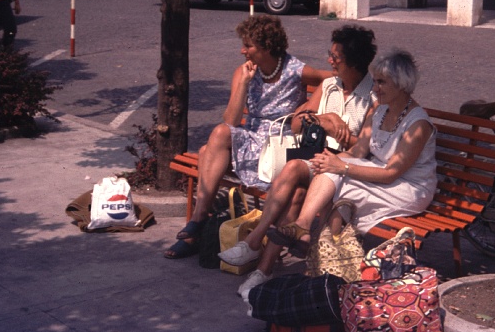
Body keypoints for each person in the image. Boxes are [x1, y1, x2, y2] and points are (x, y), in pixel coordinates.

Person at [218, 25, 378, 298]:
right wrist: (325, 119)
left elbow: (367, 150)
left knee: (295, 183)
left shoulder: (374, 97)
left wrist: (337, 132)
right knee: (296, 191)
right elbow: (295, 123)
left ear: (353, 62)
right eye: (330, 55)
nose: (329, 61)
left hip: (346, 169)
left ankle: (256, 248)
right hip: (317, 162)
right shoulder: (329, 86)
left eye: (335, 57)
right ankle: (261, 269)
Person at [164, 15, 330, 258]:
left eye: (249, 45)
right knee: (218, 135)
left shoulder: (296, 70)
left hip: (277, 150)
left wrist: (309, 106)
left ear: (266, 47)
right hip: (251, 141)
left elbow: (334, 79)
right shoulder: (243, 73)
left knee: (204, 154)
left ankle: (194, 232)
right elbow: (230, 122)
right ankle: (199, 219)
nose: (243, 51)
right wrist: (243, 84)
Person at [266, 49, 438, 263]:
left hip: (408, 187)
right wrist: (331, 160)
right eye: (375, 82)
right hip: (378, 172)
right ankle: (311, 237)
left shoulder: (418, 125)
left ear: (401, 84)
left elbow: (392, 173)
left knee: (341, 185)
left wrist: (342, 167)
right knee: (331, 173)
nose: (376, 88)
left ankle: (319, 251)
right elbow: (358, 151)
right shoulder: (379, 108)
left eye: (382, 82)